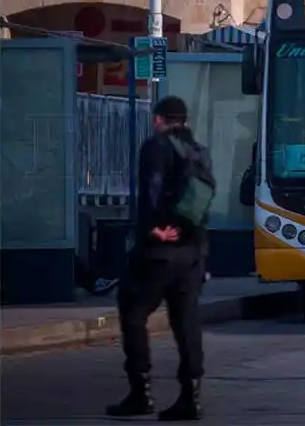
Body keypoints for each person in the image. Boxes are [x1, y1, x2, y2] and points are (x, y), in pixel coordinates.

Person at [106, 96, 213, 421]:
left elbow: (150, 192)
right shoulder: (200, 151)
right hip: (193, 251)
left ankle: (142, 392)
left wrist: (153, 230)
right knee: (186, 320)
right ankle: (191, 396)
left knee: (133, 311)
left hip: (160, 250)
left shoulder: (156, 146)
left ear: (158, 119)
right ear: (185, 118)